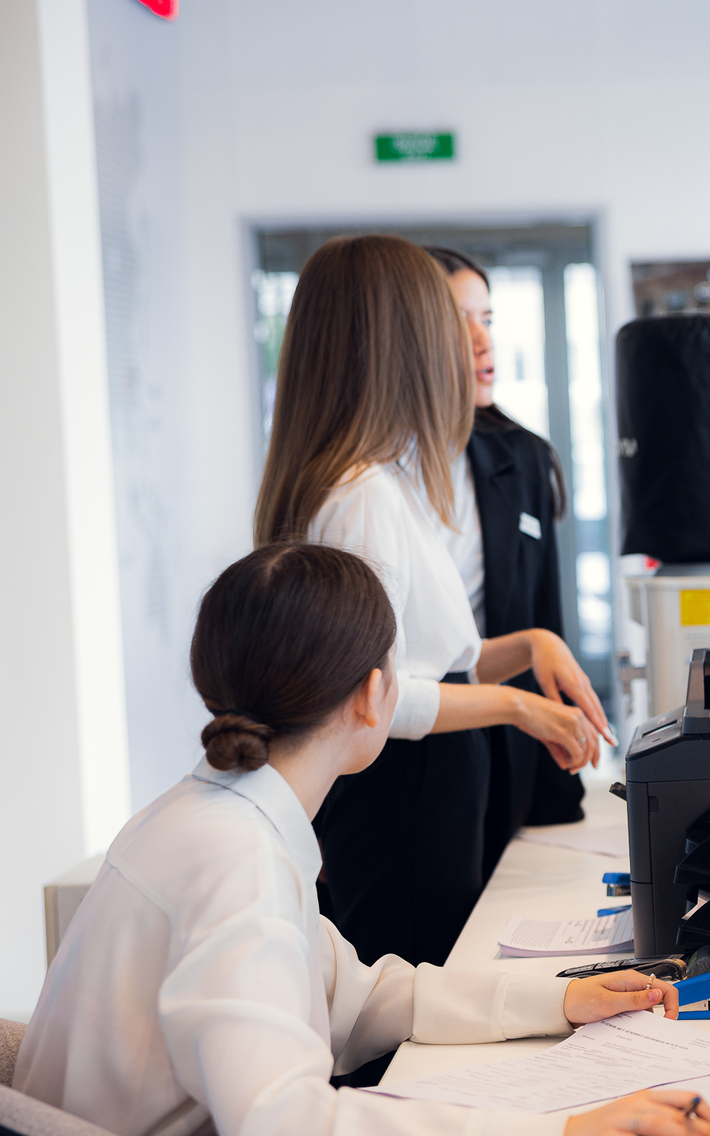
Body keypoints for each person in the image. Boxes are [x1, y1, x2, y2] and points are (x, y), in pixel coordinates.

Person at [14, 543, 710, 1136]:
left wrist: (562, 999)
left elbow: (357, 1001)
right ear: (373, 694)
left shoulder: (210, 813)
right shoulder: (238, 862)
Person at [254, 234, 612, 970]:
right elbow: (376, 698)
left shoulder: (382, 482)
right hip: (406, 800)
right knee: (416, 1004)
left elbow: (432, 657)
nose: (468, 344)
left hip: (427, 793)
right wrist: (518, 707)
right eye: (444, 324)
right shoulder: (361, 497)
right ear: (398, 345)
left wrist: (530, 646)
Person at [422, 244, 586, 877]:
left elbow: (542, 619)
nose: (481, 341)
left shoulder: (523, 458)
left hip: (508, 759)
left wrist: (557, 790)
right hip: (409, 762)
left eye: (487, 318)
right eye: (457, 320)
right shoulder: (374, 481)